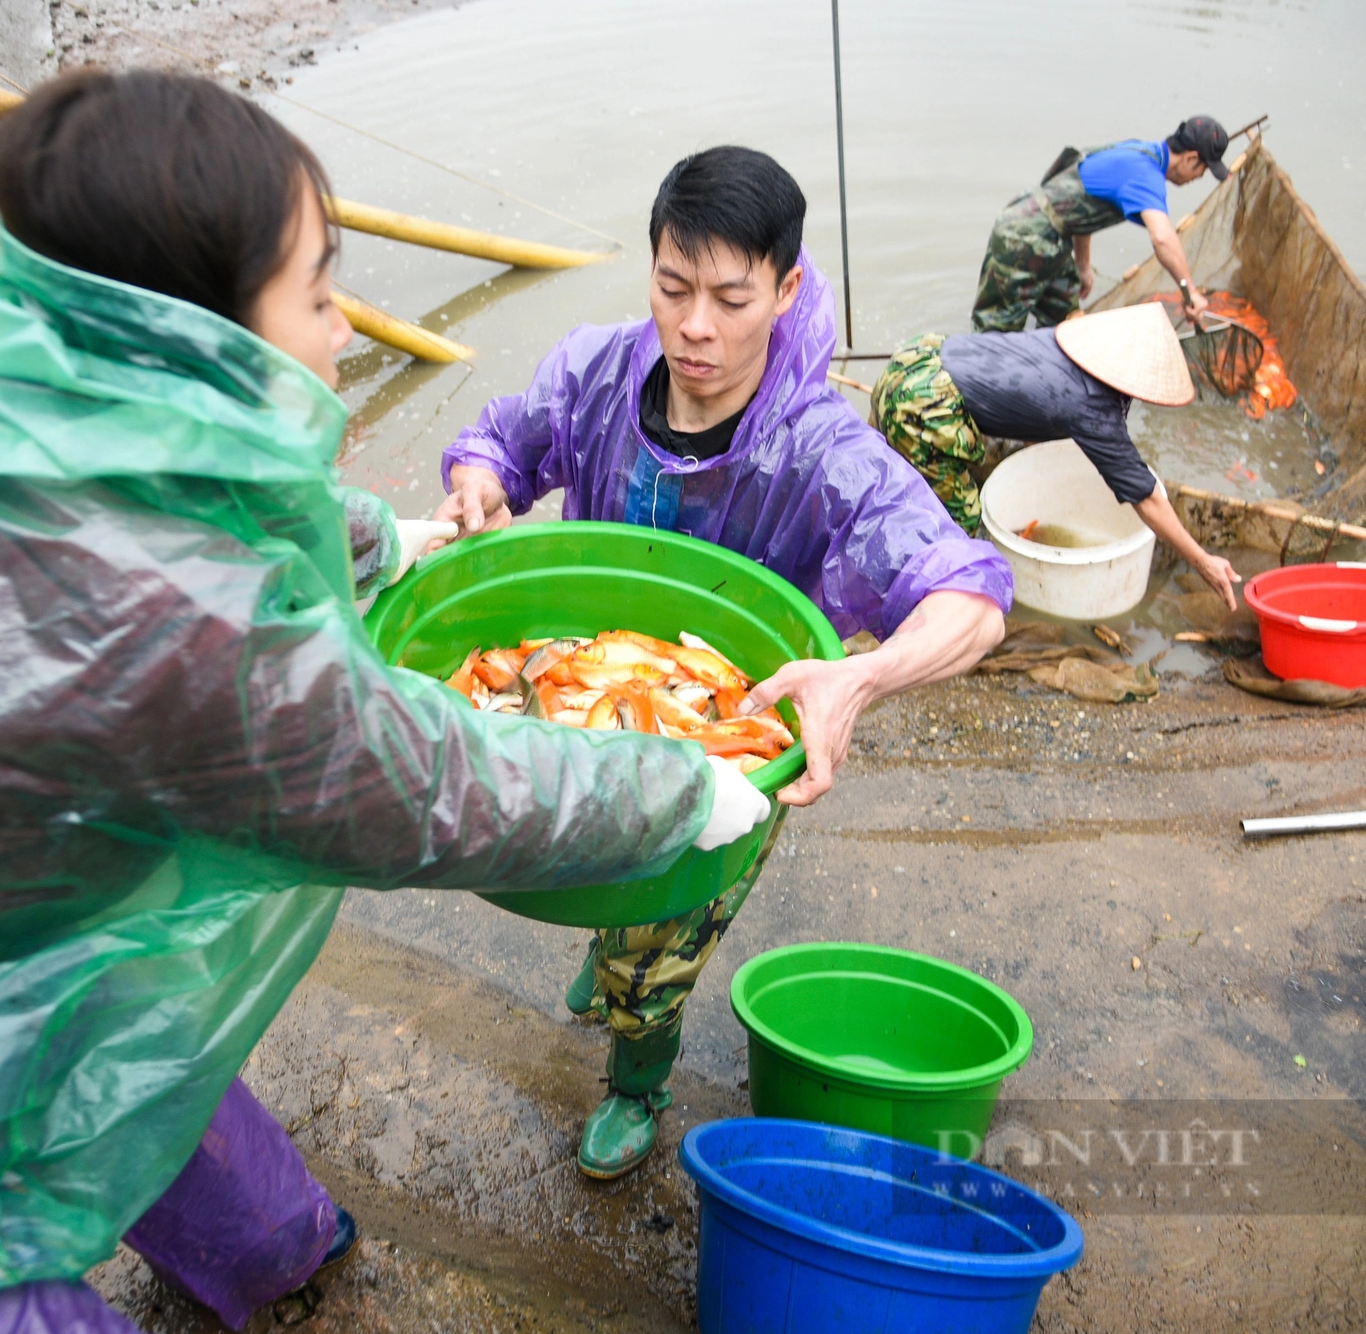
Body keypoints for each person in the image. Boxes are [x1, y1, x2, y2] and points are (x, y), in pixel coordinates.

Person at [0, 72, 774, 1334]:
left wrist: (375, 540)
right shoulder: (195, 645)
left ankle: (273, 1252)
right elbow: (436, 789)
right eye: (313, 287)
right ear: (193, 335)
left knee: (131, 1027)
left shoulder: (12, 409)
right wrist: (681, 782)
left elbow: (182, 500)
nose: (345, 324)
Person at [432, 146, 1013, 1179]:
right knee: (590, 874)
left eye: (731, 297)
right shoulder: (599, 369)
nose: (694, 325)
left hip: (721, 744)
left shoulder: (822, 448)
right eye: (671, 287)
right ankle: (604, 947)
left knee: (657, 948)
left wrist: (859, 676)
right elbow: (504, 440)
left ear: (784, 291)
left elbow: (969, 596)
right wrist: (478, 483)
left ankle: (635, 1077)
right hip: (581, 695)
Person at [871, 302, 1242, 611]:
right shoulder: (1091, 406)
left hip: (916, 357)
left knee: (886, 473)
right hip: (922, 403)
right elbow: (1147, 499)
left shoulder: (1067, 341)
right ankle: (929, 609)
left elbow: (1032, 402)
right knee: (963, 520)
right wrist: (1203, 562)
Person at [971, 116, 1231, 333]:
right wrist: (1191, 292)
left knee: (1064, 326)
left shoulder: (1140, 150)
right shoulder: (1146, 175)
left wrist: (1083, 266)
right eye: (1203, 170)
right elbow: (1163, 238)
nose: (1198, 178)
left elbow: (1082, 208)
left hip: (1053, 238)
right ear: (1190, 158)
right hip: (1024, 237)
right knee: (996, 333)